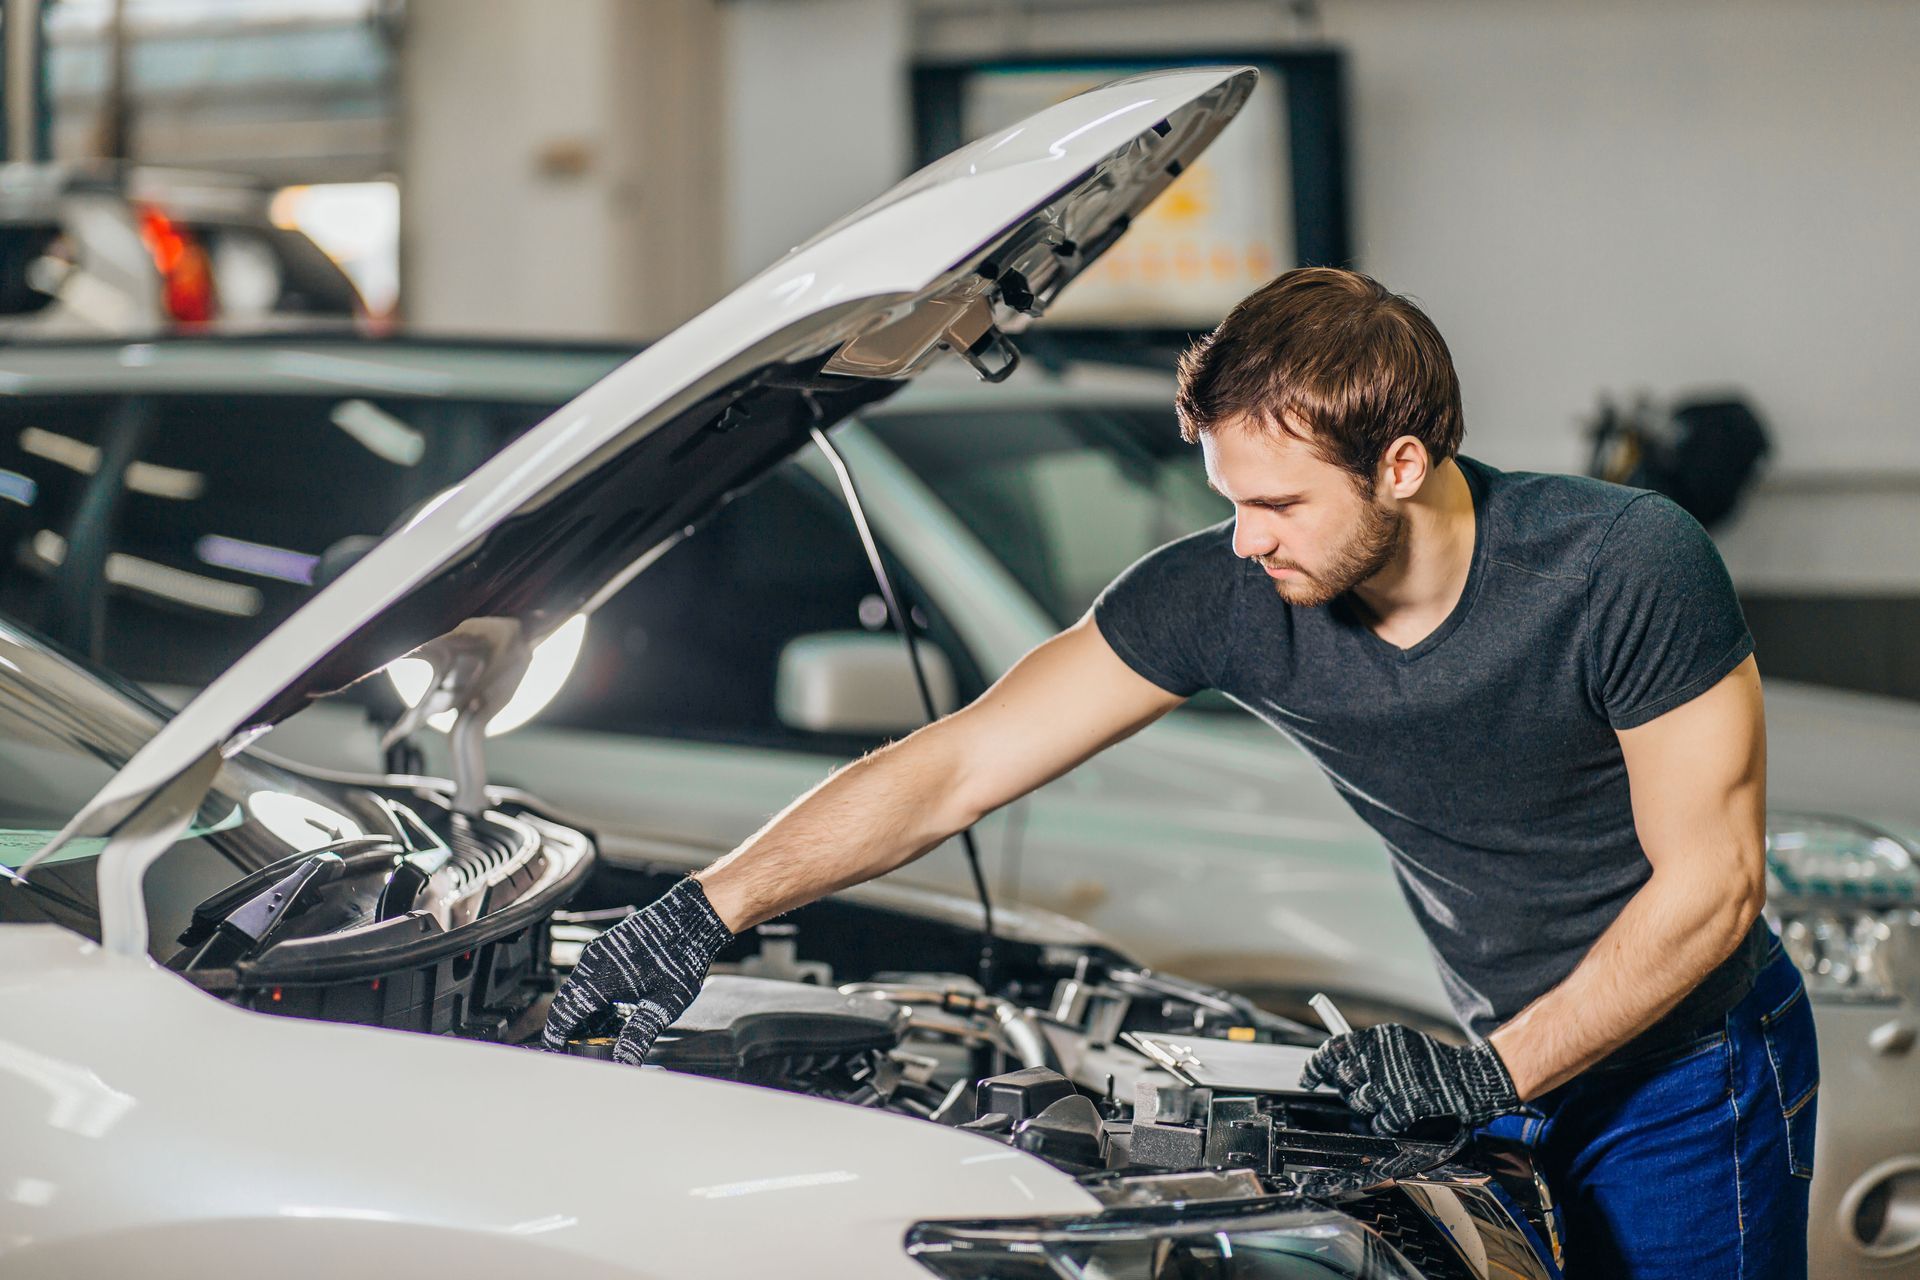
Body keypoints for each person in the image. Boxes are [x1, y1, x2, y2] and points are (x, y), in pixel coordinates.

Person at [543, 267, 1814, 1279]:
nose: (1245, 538)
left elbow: (1714, 885)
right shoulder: (1228, 588)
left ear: (1404, 466)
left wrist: (1495, 1072)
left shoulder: (1621, 567)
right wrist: (709, 906)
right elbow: (959, 762)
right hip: (1494, 1054)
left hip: (1685, 1062)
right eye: (1227, 497)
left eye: (1278, 503)